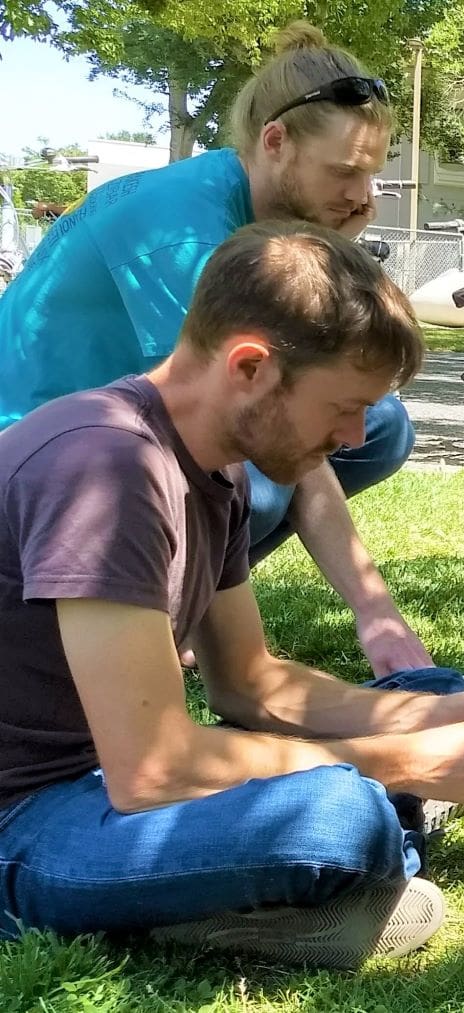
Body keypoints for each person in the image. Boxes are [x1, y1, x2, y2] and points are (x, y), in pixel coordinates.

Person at [0, 222, 464, 967]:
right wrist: (401, 760)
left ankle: (298, 874)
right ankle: (272, 895)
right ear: (250, 366)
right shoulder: (108, 467)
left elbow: (251, 682)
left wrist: (435, 713)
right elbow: (154, 770)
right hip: (23, 816)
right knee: (339, 816)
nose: (354, 435)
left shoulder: (214, 465)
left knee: (431, 689)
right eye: (343, 406)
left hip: (105, 777)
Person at [0, 22, 429, 677]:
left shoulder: (272, 221)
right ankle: (161, 614)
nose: (363, 195)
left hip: (119, 442)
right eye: (346, 172)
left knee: (377, 427)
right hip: (39, 460)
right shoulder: (185, 235)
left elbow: (350, 360)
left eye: (371, 175)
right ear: (276, 143)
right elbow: (266, 409)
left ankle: (183, 601)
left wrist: (344, 235)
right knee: (250, 476)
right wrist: (376, 612)